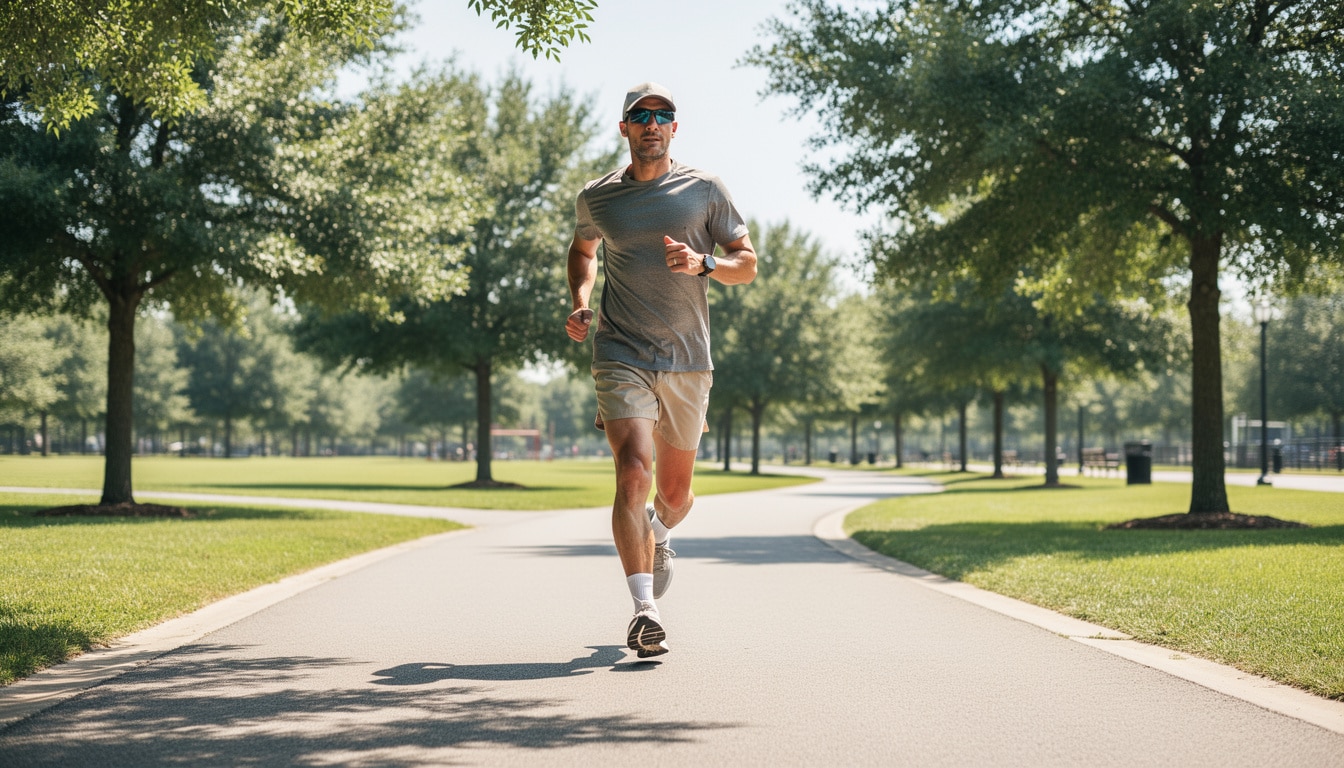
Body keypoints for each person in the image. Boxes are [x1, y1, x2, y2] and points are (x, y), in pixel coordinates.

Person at [565, 82, 757, 658]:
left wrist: (705, 264)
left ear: (675, 128)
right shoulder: (598, 198)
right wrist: (580, 299)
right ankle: (644, 610)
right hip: (620, 349)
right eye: (641, 116)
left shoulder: (704, 189)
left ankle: (662, 534)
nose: (652, 123)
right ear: (624, 128)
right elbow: (582, 250)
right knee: (633, 471)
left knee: (674, 495)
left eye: (663, 115)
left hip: (687, 359)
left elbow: (746, 266)